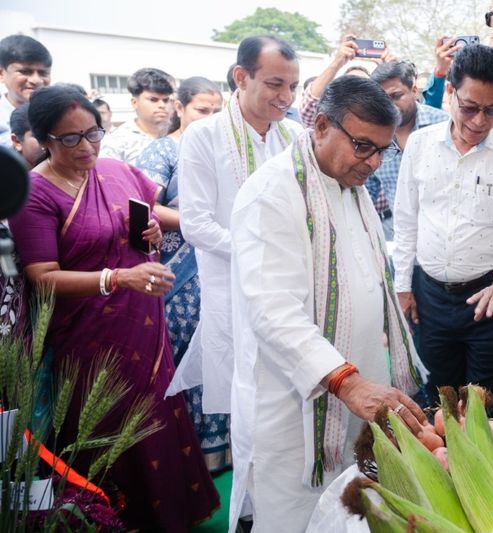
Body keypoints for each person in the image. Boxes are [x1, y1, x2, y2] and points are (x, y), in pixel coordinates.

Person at [8, 85, 218, 532]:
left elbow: (148, 214)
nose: (86, 147)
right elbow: (42, 276)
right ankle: (112, 518)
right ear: (43, 139)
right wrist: (118, 278)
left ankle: (171, 515)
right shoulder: (35, 194)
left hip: (142, 323)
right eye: (70, 139)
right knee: (106, 423)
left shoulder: (116, 170)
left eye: (93, 133)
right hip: (87, 337)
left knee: (158, 415)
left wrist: (153, 238)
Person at [229, 75, 427, 532]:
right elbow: (273, 312)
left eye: (382, 149)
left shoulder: (350, 185)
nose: (374, 162)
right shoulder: (271, 195)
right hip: (294, 404)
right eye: (362, 146)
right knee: (297, 518)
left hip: (357, 384)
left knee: (355, 510)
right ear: (320, 125)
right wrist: (347, 382)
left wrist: (361, 379)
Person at [174, 35, 302, 525]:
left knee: (286, 401)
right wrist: (260, 250)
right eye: (275, 84)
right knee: (247, 405)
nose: (286, 98)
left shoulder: (292, 137)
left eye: (292, 86)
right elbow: (196, 224)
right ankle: (250, 511)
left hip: (289, 292)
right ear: (241, 77)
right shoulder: (205, 136)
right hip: (233, 293)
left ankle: (287, 496)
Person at [394, 44, 493, 398]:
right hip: (428, 297)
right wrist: (403, 286)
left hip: (488, 300)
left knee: (487, 401)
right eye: (469, 108)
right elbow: (406, 221)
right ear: (449, 91)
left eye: (492, 110)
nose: (479, 121)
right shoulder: (420, 145)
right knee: (436, 398)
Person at [136, 77, 229, 473]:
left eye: (215, 112)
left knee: (220, 353)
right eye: (200, 111)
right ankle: (190, 459)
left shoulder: (224, 150)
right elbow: (140, 206)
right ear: (181, 108)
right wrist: (197, 223)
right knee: (186, 359)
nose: (209, 119)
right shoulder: (164, 150)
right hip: (179, 278)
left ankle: (223, 451)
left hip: (220, 267)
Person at [367, 60, 449, 240]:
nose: (389, 106)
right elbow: (367, 192)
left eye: (396, 96)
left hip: (447, 243)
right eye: (382, 99)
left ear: (413, 90)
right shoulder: (372, 138)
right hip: (402, 243)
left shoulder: (444, 125)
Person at [100, 67, 175, 164]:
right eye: (153, 100)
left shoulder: (177, 134)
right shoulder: (117, 142)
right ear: (134, 102)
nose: (162, 105)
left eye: (166, 100)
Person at [0, 34, 52, 148]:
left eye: (43, 73)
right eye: (25, 71)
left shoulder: (57, 114)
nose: (36, 80)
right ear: (2, 74)